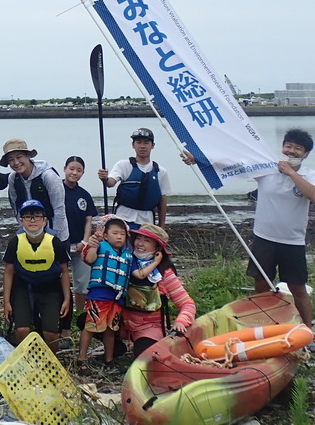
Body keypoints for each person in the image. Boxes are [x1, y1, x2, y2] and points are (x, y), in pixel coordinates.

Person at [183, 128, 315, 326]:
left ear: (305, 154)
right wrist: (198, 159)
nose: (291, 151)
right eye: (288, 146)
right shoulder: (266, 168)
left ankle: (308, 331)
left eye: (298, 148)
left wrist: (290, 173)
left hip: (292, 241)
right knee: (261, 285)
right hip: (264, 238)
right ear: (282, 147)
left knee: (297, 288)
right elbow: (233, 162)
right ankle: (262, 327)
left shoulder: (308, 175)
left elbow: (312, 195)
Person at [3, 199, 71, 351]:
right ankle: (23, 357)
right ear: (21, 221)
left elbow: (65, 272)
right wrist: (6, 301)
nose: (32, 220)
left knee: (50, 334)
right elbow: (8, 272)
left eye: (37, 216)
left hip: (49, 288)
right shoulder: (15, 242)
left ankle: (51, 360)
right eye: (27, 217)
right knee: (22, 330)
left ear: (45, 220)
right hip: (23, 288)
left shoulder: (55, 242)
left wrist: (67, 299)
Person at [123, 224, 196, 358]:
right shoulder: (125, 262)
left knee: (144, 359)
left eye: (147, 241)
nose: (140, 244)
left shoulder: (164, 274)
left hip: (149, 328)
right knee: (87, 321)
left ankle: (142, 344)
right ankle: (118, 348)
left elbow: (187, 304)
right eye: (138, 238)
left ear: (158, 248)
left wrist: (181, 322)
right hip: (122, 325)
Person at [78, 215, 131, 367]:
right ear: (106, 235)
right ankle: (81, 359)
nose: (119, 237)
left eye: (122, 234)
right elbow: (90, 259)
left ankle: (109, 359)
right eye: (115, 233)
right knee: (91, 326)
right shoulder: (100, 246)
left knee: (110, 330)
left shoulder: (128, 255)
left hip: (117, 298)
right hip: (99, 295)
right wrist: (93, 244)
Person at [97, 128, 170, 229]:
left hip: (147, 221)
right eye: (139, 142)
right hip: (123, 218)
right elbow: (110, 183)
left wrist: (161, 225)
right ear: (133, 145)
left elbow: (162, 200)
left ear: (153, 145)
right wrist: (104, 178)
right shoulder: (123, 165)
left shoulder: (160, 172)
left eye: (146, 142)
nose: (142, 146)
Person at [1, 139, 68, 242]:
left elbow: (59, 208)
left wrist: (57, 239)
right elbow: (16, 208)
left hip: (52, 230)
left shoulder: (48, 176)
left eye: (19, 157)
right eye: (11, 159)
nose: (16, 163)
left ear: (28, 156)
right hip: (28, 234)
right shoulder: (13, 179)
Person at [63, 156, 97, 341]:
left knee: (82, 283)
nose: (74, 173)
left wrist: (85, 241)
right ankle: (62, 316)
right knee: (59, 280)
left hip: (79, 245)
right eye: (71, 169)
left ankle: (79, 314)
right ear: (65, 169)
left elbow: (88, 220)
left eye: (79, 170)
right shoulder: (56, 190)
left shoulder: (84, 195)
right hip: (59, 244)